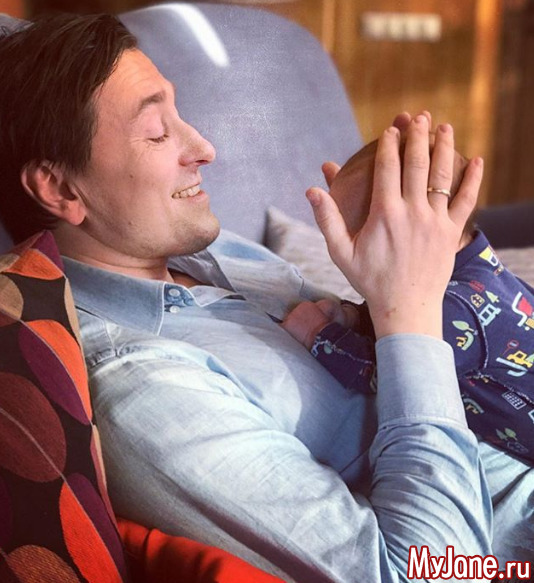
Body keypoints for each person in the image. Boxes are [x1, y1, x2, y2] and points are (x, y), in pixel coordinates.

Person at [0, 13, 524, 582]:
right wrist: (411, 312)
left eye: (180, 114)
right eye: (156, 132)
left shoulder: (214, 253)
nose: (205, 148)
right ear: (60, 187)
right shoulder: (145, 388)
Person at [283, 137, 534, 465]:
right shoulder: (477, 261)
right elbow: (395, 311)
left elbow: (392, 375)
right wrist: (356, 318)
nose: (349, 253)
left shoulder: (459, 311)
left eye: (359, 237)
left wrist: (319, 335)